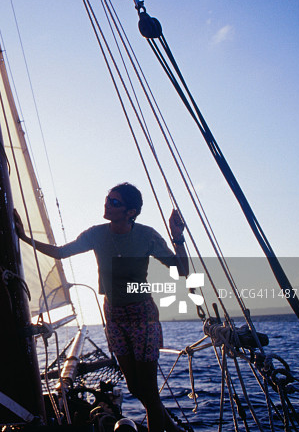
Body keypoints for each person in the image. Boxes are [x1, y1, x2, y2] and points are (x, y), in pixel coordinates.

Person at [15, 182, 187, 432]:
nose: (107, 205)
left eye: (115, 202)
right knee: (136, 388)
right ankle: (172, 430)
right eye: (108, 199)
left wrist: (177, 236)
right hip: (113, 314)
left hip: (142, 314)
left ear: (131, 211)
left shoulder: (146, 235)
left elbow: (182, 270)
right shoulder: (96, 234)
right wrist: (24, 238)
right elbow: (61, 252)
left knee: (148, 390)